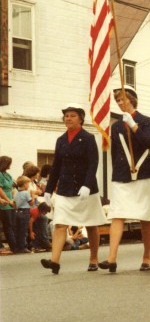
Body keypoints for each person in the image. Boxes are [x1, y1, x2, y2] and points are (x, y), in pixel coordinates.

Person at [99, 86, 150, 273]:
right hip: (122, 175)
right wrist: (116, 173)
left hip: (143, 173)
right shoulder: (117, 126)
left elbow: (146, 142)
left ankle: (147, 256)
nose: (120, 103)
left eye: (123, 100)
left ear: (132, 100)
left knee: (146, 216)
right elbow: (115, 152)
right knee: (117, 214)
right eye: (117, 101)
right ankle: (112, 258)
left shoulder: (144, 121)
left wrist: (134, 126)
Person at [41, 103, 107, 274]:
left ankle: (93, 258)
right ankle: (55, 261)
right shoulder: (61, 140)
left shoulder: (88, 138)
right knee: (60, 224)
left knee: (91, 224)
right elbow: (56, 166)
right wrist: (48, 189)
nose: (68, 118)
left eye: (72, 116)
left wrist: (87, 184)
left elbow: (93, 164)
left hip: (85, 189)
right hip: (65, 187)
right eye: (66, 116)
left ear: (81, 119)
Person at [0, 156, 17, 255]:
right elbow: (0, 189)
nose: (10, 165)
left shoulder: (7, 175)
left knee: (11, 225)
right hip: (4, 204)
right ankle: (13, 247)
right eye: (9, 163)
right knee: (8, 226)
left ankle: (14, 247)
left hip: (9, 202)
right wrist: (7, 200)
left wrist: (13, 201)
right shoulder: (0, 175)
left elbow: (12, 186)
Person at [14, 176, 35, 253]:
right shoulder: (26, 193)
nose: (28, 185)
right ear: (24, 184)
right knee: (24, 230)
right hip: (25, 212)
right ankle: (23, 246)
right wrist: (33, 196)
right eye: (28, 184)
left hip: (18, 212)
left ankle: (18, 246)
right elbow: (31, 203)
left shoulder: (16, 193)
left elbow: (15, 204)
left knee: (18, 230)